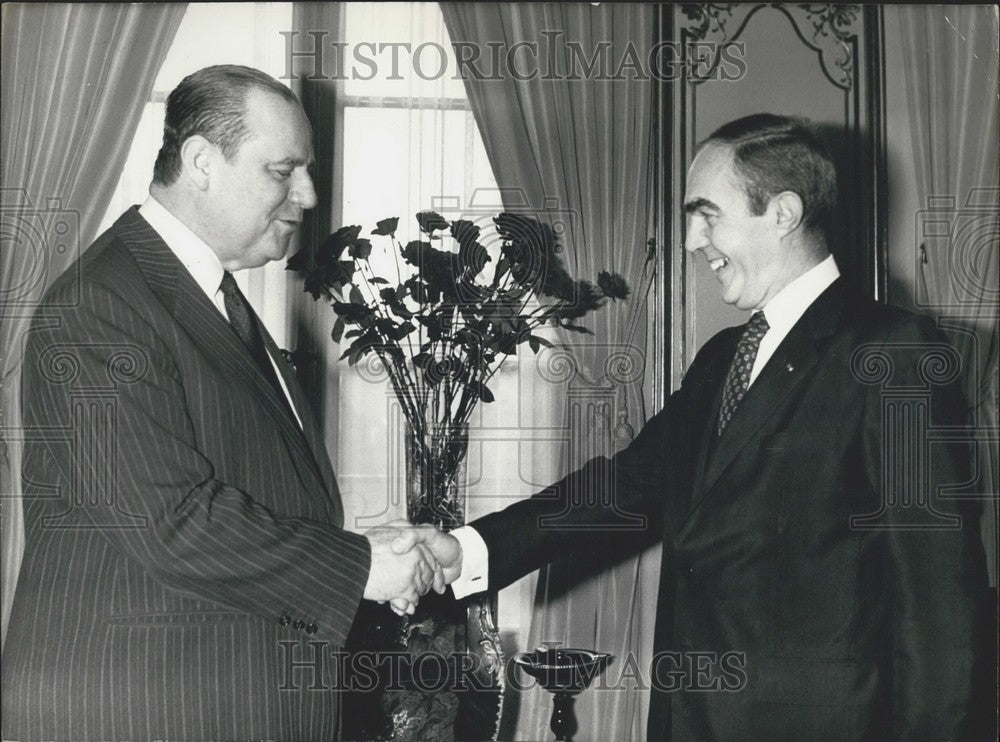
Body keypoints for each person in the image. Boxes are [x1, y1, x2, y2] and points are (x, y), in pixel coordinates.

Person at [403, 113, 989, 740]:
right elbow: (627, 483)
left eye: (707, 214)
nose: (689, 240)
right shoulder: (721, 356)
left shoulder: (892, 352)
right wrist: (470, 549)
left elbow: (940, 606)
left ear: (783, 213)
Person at [2, 65, 440, 741]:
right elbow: (171, 522)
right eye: (283, 170)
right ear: (201, 162)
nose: (308, 193)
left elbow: (258, 498)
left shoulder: (206, 295)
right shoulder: (99, 307)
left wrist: (362, 553)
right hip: (141, 713)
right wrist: (360, 569)